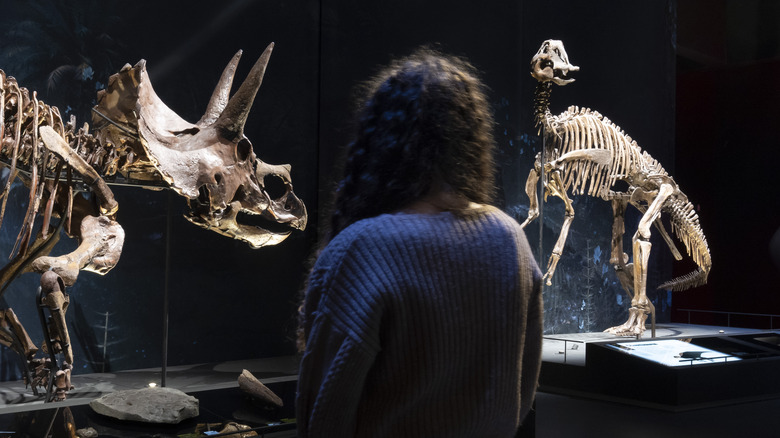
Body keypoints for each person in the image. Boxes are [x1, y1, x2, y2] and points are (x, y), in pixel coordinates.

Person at [296, 48, 543, 438]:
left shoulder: (360, 251)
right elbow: (522, 392)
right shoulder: (510, 238)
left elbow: (324, 415)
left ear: (380, 140)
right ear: (471, 138)